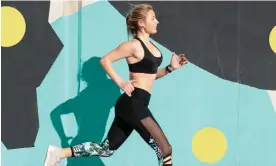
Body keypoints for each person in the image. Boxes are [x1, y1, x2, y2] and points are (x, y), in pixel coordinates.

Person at [44, 3, 188, 166]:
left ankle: (60, 153)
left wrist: (170, 69)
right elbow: (105, 60)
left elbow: (150, 76)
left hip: (134, 104)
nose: (157, 22)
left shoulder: (152, 47)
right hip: (134, 104)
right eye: (152, 18)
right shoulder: (133, 45)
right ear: (141, 23)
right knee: (165, 149)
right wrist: (120, 82)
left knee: (107, 149)